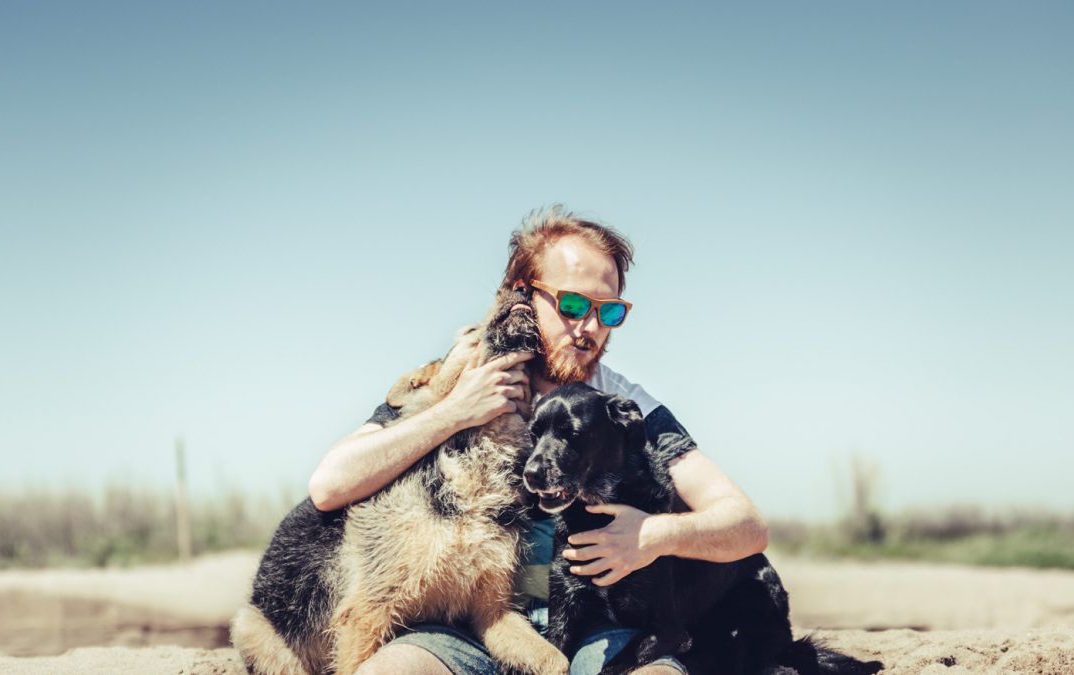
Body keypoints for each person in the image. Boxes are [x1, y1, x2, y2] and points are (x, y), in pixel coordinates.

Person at [309, 207, 769, 675]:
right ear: (523, 296)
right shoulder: (459, 378)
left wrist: (652, 535)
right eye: (572, 305)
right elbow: (330, 483)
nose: (589, 327)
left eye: (608, 310)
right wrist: (454, 412)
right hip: (463, 629)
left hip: (595, 634)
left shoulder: (623, 406)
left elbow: (747, 525)